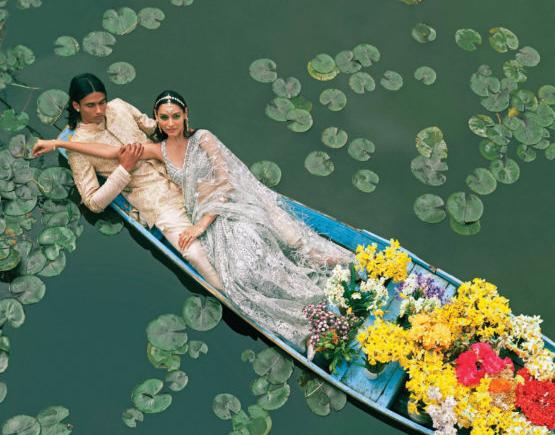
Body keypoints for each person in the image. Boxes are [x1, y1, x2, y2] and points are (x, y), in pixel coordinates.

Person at [33, 88, 352, 348]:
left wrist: (201, 224)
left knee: (260, 244)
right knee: (238, 272)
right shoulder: (158, 149)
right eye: (164, 118)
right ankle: (303, 320)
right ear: (157, 119)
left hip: (221, 209)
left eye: (176, 116)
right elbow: (112, 154)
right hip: (195, 213)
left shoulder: (203, 138)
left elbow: (226, 183)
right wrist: (60, 142)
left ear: (186, 114)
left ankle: (325, 278)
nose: (170, 122)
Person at [40, 73, 223, 289]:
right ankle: (236, 297)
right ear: (76, 106)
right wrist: (124, 169)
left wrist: (189, 134)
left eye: (102, 102)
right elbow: (93, 203)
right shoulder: (79, 148)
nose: (99, 110)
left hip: (179, 174)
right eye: (91, 105)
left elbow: (154, 129)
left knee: (225, 220)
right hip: (155, 203)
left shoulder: (119, 106)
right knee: (195, 253)